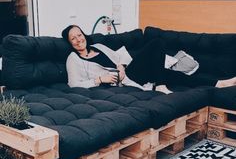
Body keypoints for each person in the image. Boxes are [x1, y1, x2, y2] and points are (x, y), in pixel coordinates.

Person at [62, 25, 236, 93]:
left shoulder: (97, 46)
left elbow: (119, 56)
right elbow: (74, 84)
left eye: (80, 35)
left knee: (173, 74)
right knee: (156, 44)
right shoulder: (73, 59)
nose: (79, 40)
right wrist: (100, 79)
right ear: (70, 43)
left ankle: (218, 83)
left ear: (84, 34)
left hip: (128, 71)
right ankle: (160, 85)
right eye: (74, 39)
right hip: (125, 81)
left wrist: (121, 66)